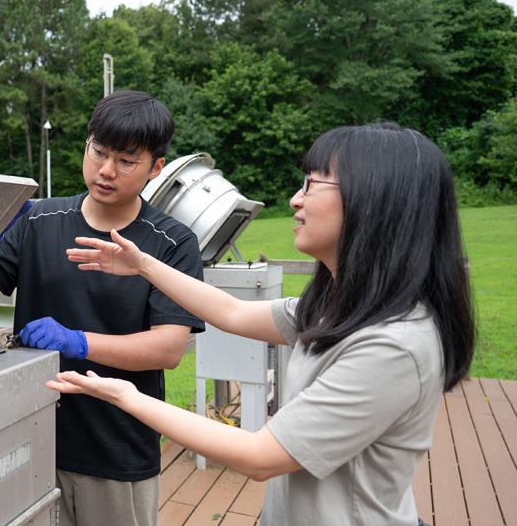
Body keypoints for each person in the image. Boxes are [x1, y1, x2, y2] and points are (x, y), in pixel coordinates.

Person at [53, 122, 475, 525]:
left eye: (312, 184)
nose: (295, 199)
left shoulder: (393, 343)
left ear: (376, 201)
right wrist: (143, 264)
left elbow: (260, 455)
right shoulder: (341, 306)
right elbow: (232, 313)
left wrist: (127, 397)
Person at [0, 90, 205, 526]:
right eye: (99, 152)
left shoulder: (171, 242)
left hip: (115, 447)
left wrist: (77, 342)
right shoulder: (37, 220)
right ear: (86, 145)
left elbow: (168, 349)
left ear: (156, 167)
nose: (107, 171)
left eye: (127, 160)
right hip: (30, 435)